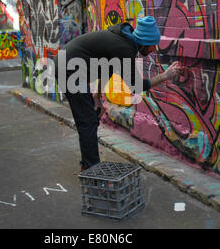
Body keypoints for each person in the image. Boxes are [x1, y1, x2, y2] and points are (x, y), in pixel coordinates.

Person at [53, 16, 184, 170]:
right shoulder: (124, 48)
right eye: (152, 45)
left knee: (90, 119)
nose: (154, 50)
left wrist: (97, 97)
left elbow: (106, 69)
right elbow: (136, 86)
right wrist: (165, 76)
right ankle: (92, 171)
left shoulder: (122, 39)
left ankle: (89, 165)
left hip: (70, 66)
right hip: (68, 68)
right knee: (87, 121)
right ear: (144, 42)